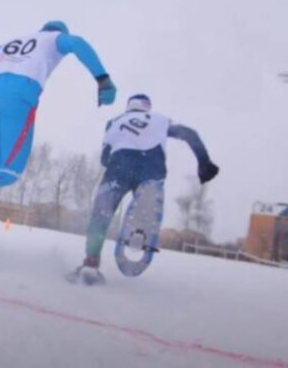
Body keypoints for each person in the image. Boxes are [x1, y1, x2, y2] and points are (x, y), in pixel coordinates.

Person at [0, 20, 116, 217]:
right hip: (18, 100)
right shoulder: (53, 39)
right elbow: (77, 43)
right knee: (10, 172)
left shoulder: (9, 46)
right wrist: (103, 80)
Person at [74, 94, 219, 281]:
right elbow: (189, 134)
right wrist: (204, 163)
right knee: (144, 211)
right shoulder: (159, 119)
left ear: (128, 106)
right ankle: (139, 233)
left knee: (101, 213)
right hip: (151, 167)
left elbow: (104, 157)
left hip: (119, 165)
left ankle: (91, 261)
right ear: (147, 107)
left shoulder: (114, 122)